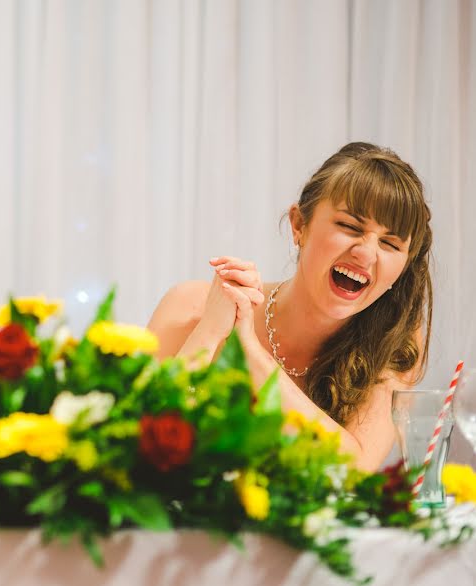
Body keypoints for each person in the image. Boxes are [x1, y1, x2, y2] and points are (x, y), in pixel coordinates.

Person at [148, 142, 432, 472]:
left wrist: (248, 351)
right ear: (299, 225)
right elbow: (130, 447)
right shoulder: (190, 304)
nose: (367, 254)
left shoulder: (395, 340)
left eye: (390, 244)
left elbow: (353, 472)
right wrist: (210, 333)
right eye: (350, 227)